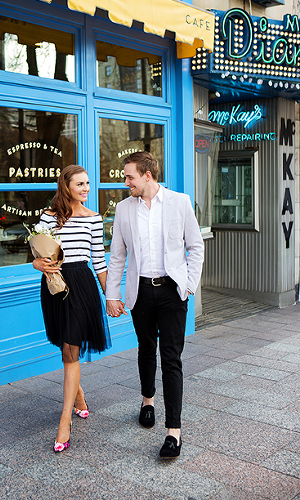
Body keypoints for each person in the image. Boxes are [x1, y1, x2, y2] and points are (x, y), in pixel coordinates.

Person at [105, 151, 204, 459]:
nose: (126, 183)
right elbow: (118, 255)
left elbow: (196, 246)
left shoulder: (179, 202)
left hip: (172, 292)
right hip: (141, 292)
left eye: (129, 177)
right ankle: (148, 401)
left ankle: (173, 432)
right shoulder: (124, 210)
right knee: (146, 349)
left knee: (171, 358)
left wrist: (188, 285)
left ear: (147, 175)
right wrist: (112, 294)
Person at [33, 164, 111, 453]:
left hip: (81, 284)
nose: (86, 189)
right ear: (66, 187)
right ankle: (78, 396)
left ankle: (65, 420)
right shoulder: (48, 217)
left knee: (71, 349)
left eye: (88, 183)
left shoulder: (94, 219)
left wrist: (110, 295)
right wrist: (37, 264)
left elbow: (99, 261)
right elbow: (38, 256)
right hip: (55, 285)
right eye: (80, 184)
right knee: (65, 344)